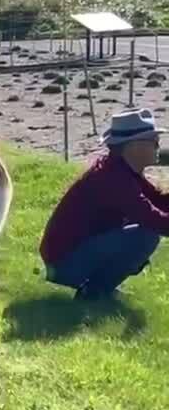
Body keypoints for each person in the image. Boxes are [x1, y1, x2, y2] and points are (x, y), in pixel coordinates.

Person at [39, 108, 169, 300]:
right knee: (146, 235)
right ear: (134, 146)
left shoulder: (120, 169)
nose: (158, 145)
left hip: (65, 258)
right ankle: (95, 292)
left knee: (143, 233)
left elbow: (158, 201)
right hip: (63, 265)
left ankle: (99, 287)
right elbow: (154, 220)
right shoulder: (115, 178)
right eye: (152, 140)